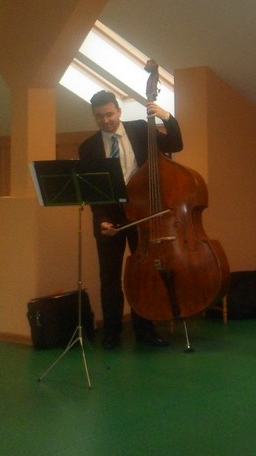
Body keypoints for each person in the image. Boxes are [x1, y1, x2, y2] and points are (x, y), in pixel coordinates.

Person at [78, 90, 182, 349]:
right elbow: (93, 191)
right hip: (108, 218)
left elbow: (175, 144)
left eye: (109, 114)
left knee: (143, 274)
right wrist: (101, 219)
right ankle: (112, 333)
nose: (105, 120)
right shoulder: (87, 147)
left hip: (142, 214)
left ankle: (145, 331)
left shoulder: (140, 130)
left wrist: (166, 117)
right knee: (109, 278)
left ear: (119, 111)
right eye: (99, 116)